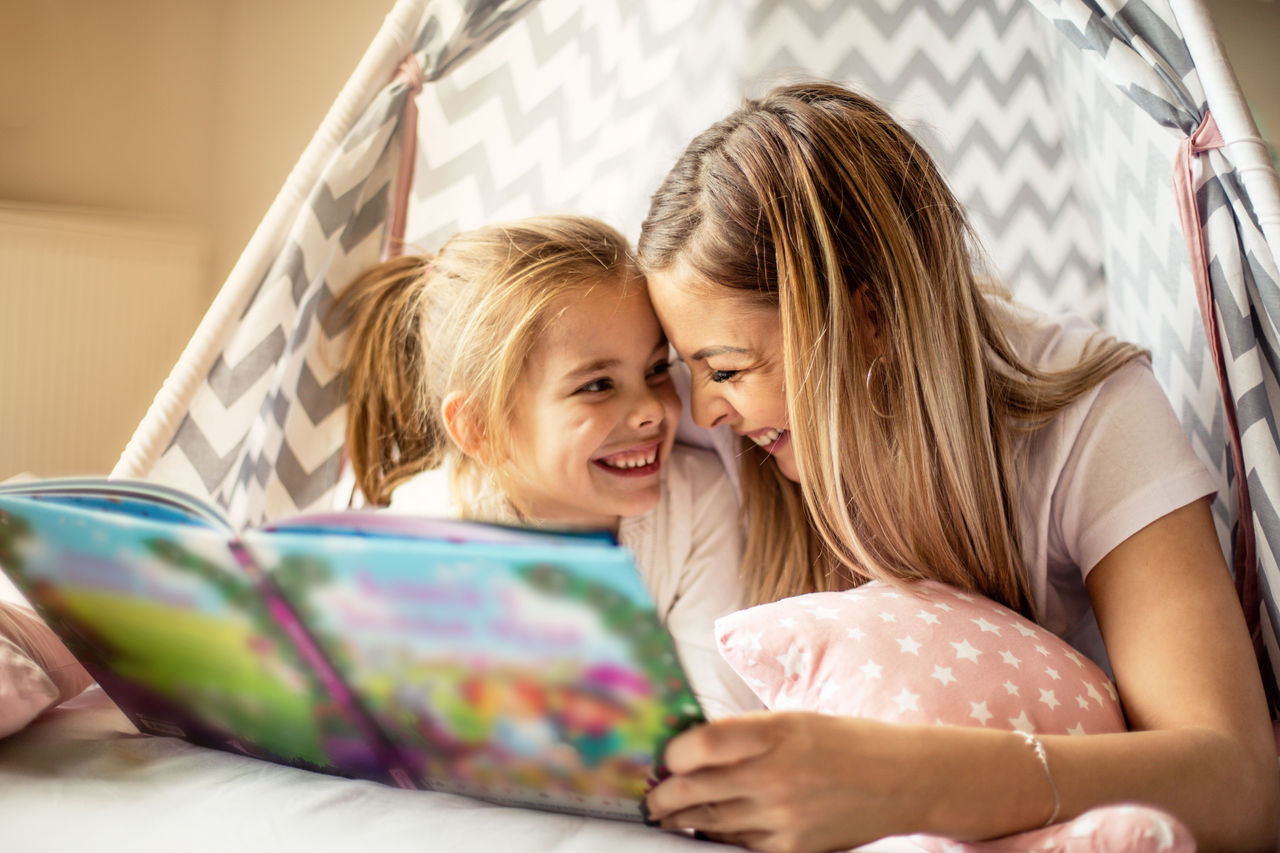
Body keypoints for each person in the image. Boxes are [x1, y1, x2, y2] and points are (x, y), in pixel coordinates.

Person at [636, 82, 1278, 851]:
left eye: (728, 370)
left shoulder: (1088, 415)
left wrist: (912, 782)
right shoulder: (701, 415)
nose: (703, 410)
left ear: (867, 318)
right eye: (689, 370)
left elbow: (1241, 785)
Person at [332, 214, 760, 720]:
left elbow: (723, 718)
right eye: (596, 385)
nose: (651, 409)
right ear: (479, 428)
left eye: (656, 369)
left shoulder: (697, 505)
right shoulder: (426, 532)